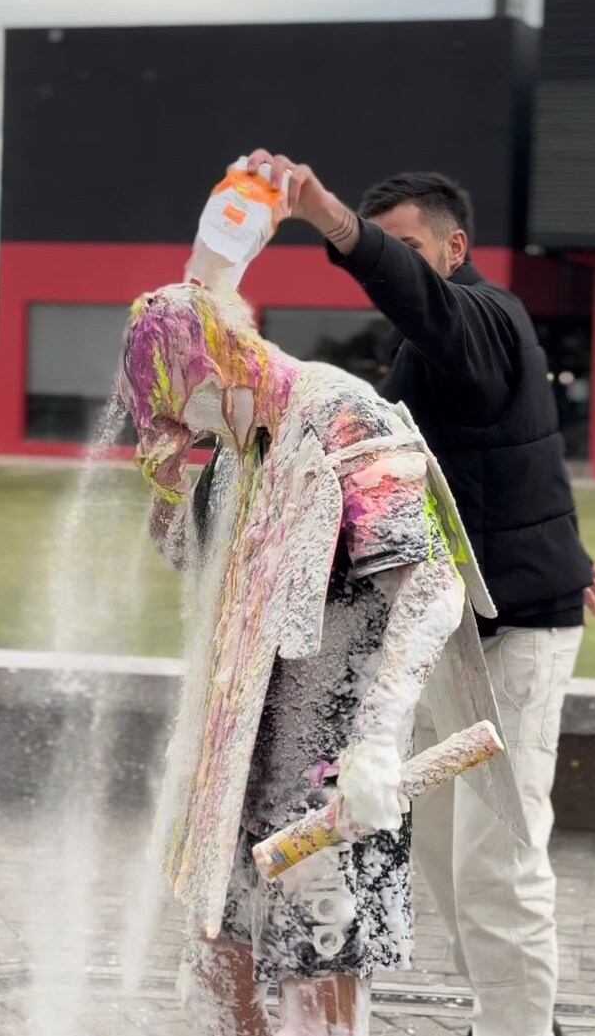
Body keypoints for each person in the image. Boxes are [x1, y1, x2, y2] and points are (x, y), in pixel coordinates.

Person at [242, 150, 595, 1036]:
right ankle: (521, 1020)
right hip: (449, 628)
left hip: (513, 633)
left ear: (453, 251)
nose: (399, 267)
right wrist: (567, 545)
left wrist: (331, 218)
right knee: (443, 859)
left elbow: (439, 323)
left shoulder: (480, 314)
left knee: (498, 863)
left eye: (411, 250)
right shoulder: (429, 347)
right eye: (387, 248)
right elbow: (489, 464)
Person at [120, 276, 492, 1036]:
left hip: (329, 767)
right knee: (217, 954)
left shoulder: (344, 417)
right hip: (232, 764)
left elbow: (429, 588)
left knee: (317, 970)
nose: (179, 423)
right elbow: (196, 561)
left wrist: (379, 745)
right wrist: (164, 486)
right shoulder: (236, 441)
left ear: (221, 364)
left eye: (178, 404)